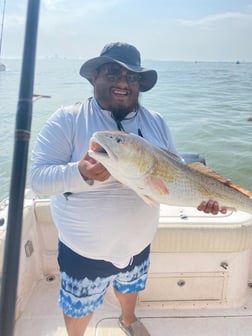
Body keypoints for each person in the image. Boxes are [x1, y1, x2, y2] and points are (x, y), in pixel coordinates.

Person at [30, 42, 226, 336]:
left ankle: (128, 318)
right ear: (94, 76)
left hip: (138, 245)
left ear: (139, 84)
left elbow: (176, 174)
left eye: (132, 77)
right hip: (83, 251)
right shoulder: (67, 119)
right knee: (77, 307)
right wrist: (79, 172)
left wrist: (200, 198)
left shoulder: (156, 121)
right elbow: (38, 179)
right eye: (113, 73)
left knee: (131, 286)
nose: (123, 82)